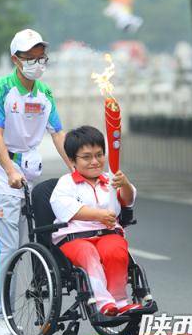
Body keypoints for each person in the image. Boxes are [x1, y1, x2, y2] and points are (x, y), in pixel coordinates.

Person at [0, 28, 72, 335]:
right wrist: (10, 169)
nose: (37, 62)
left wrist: (76, 169)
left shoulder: (45, 93)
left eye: (41, 56)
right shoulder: (0, 90)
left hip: (28, 172)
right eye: (30, 57)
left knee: (32, 241)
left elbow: (57, 133)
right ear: (16, 59)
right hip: (1, 173)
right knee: (4, 250)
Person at [50, 125, 143, 316]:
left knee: (116, 251)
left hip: (107, 234)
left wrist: (124, 184)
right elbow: (66, 208)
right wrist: (98, 215)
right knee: (88, 253)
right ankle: (103, 303)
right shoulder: (65, 183)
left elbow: (127, 200)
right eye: (86, 157)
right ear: (72, 160)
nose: (94, 161)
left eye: (99, 155)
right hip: (74, 239)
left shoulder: (111, 179)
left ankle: (119, 300)